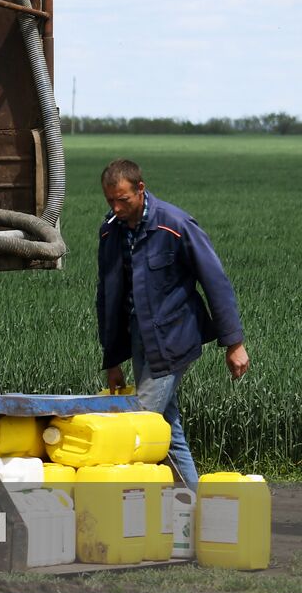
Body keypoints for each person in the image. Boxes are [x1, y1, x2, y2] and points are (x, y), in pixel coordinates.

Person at [96, 159, 248, 488]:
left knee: (138, 425)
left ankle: (126, 509)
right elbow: (107, 298)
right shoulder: (110, 232)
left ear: (140, 189)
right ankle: (195, 506)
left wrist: (234, 343)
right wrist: (112, 360)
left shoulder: (174, 225)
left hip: (174, 336)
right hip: (140, 339)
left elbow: (215, 282)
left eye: (123, 199)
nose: (117, 207)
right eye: (110, 200)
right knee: (167, 425)